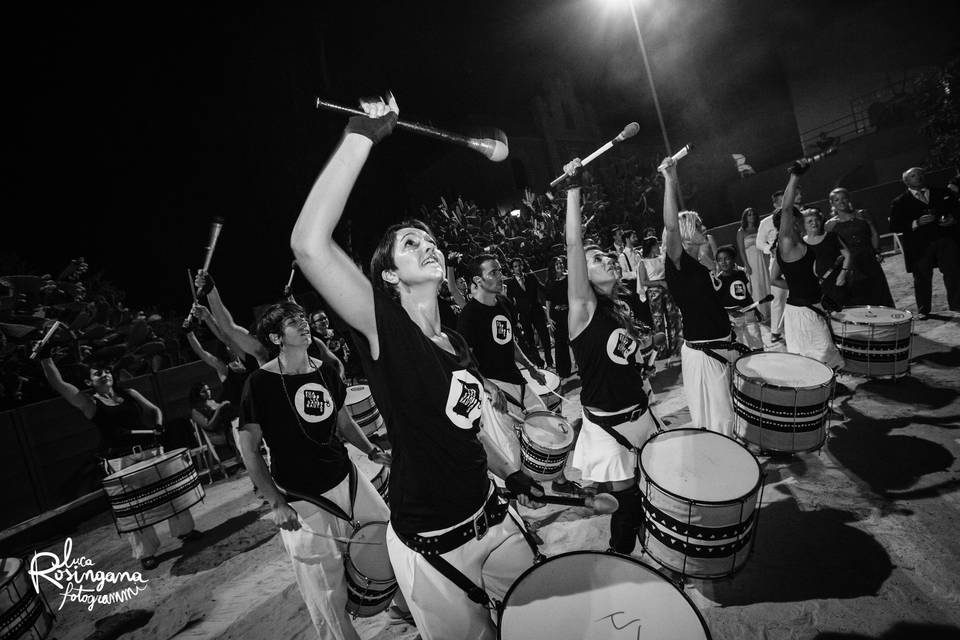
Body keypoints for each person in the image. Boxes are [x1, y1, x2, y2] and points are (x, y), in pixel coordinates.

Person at [289, 93, 543, 640]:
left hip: (493, 517)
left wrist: (512, 472)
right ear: (388, 278)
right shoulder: (387, 332)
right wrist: (360, 136)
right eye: (410, 243)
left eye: (429, 240)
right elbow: (309, 246)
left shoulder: (453, 341)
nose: (427, 245)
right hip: (432, 542)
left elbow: (467, 428)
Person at [238, 301, 397, 640]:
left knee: (387, 536)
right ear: (276, 337)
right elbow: (248, 449)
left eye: (303, 318)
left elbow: (342, 419)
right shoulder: (259, 383)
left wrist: (370, 449)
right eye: (294, 322)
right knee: (325, 585)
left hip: (345, 476)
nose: (305, 324)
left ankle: (405, 607)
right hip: (301, 496)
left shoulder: (324, 369)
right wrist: (276, 503)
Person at [561, 158, 659, 555]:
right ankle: (621, 558)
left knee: (652, 488)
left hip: (640, 411)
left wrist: (644, 358)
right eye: (599, 259)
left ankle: (650, 547)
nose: (610, 260)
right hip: (609, 424)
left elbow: (627, 359)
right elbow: (572, 245)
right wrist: (573, 189)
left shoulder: (620, 308)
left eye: (609, 257)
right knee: (628, 501)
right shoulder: (582, 308)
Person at [38, 355, 200, 570]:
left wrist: (159, 424)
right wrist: (45, 359)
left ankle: (185, 531)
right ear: (89, 382)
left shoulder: (130, 394)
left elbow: (155, 410)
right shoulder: (90, 403)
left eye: (106, 370)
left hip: (151, 450)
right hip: (120, 460)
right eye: (97, 373)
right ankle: (146, 553)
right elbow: (59, 385)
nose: (104, 374)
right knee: (134, 508)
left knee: (168, 492)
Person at [457, 254, 580, 495]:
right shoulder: (469, 315)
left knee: (547, 426)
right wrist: (489, 387)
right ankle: (516, 504)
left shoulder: (503, 303)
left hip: (517, 379)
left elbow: (509, 342)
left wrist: (531, 368)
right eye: (493, 272)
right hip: (494, 388)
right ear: (477, 280)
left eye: (500, 270)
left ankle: (559, 480)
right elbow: (465, 362)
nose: (500, 275)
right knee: (509, 448)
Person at [660, 158, 743, 437]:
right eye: (698, 226)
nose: (704, 228)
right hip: (704, 351)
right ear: (685, 234)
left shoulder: (701, 263)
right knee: (718, 418)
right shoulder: (677, 262)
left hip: (723, 343)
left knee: (729, 413)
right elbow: (671, 227)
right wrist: (670, 179)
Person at [776, 160, 845, 370]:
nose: (798, 220)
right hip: (802, 312)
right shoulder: (786, 243)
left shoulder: (801, 242)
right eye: (796, 217)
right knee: (818, 359)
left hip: (811, 306)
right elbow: (786, 209)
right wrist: (795, 176)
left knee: (820, 361)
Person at [889, 167, 960, 318]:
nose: (918, 177)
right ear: (906, 181)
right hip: (919, 246)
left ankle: (956, 304)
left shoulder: (942, 193)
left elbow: (957, 209)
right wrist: (916, 222)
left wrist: (952, 219)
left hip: (945, 239)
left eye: (920, 174)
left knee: (952, 272)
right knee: (922, 277)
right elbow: (894, 225)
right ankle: (924, 309)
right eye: (913, 176)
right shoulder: (900, 202)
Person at [824, 188, 895, 307]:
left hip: (869, 258)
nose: (841, 202)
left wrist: (876, 251)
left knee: (878, 291)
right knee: (859, 294)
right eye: (837, 200)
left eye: (844, 198)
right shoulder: (830, 225)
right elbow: (831, 247)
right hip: (851, 264)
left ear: (849, 199)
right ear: (832, 203)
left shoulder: (863, 214)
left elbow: (874, 234)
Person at [757, 188, 802, 343]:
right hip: (776, 262)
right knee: (778, 298)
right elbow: (758, 243)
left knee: (797, 295)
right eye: (782, 200)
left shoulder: (795, 217)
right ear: (775, 203)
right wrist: (770, 248)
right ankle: (775, 331)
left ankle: (795, 328)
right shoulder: (766, 222)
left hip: (796, 260)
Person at [637, 236, 682, 359]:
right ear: (651, 247)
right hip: (654, 293)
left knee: (673, 318)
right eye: (656, 245)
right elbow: (644, 281)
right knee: (658, 322)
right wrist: (659, 283)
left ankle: (676, 347)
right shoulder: (643, 262)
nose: (659, 247)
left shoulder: (662, 258)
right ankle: (661, 351)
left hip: (668, 290)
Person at [505, 257, 553, 370]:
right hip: (524, 316)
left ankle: (550, 363)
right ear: (512, 269)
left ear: (522, 266)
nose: (518, 268)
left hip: (537, 312)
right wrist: (515, 320)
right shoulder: (510, 284)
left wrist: (553, 287)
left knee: (545, 338)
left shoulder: (531, 276)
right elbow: (510, 303)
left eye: (519, 265)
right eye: (515, 266)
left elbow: (542, 288)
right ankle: (540, 364)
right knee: (530, 341)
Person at [715, 245, 764, 350]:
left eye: (727, 259)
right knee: (738, 351)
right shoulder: (717, 281)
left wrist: (756, 310)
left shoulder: (740, 274)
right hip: (733, 321)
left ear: (733, 260)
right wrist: (729, 312)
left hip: (749, 315)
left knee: (758, 348)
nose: (723, 262)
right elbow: (716, 305)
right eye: (720, 260)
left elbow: (746, 296)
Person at [736, 207, 770, 316]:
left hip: (763, 258)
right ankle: (761, 312)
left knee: (767, 282)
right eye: (749, 214)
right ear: (745, 217)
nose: (752, 216)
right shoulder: (741, 231)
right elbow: (741, 250)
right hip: (751, 261)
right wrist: (747, 265)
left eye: (753, 214)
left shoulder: (759, 228)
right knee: (756, 285)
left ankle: (771, 310)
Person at [544, 255, 572, 379]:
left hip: (570, 313)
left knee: (574, 341)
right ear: (553, 268)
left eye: (561, 263)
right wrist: (549, 318)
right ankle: (563, 372)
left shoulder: (569, 278)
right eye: (557, 264)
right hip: (556, 317)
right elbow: (548, 302)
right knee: (560, 345)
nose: (560, 265)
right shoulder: (549, 283)